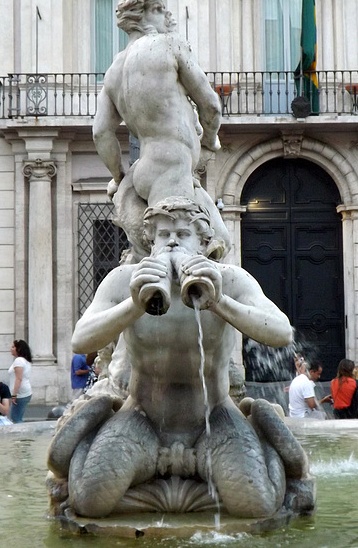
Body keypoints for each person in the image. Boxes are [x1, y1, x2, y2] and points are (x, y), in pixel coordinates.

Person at [68, 197, 296, 518]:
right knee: (88, 501)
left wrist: (219, 302)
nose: (172, 240)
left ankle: (261, 440)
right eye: (163, 234)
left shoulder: (229, 278)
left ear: (203, 242)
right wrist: (135, 303)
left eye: (182, 233)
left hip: (213, 420)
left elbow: (281, 333)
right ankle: (95, 441)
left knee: (257, 505)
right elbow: (81, 340)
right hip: (143, 418)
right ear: (151, 242)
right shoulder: (124, 279)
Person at [92, 0, 230, 260]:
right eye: (158, 8)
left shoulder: (113, 70)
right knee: (177, 254)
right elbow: (211, 106)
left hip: (144, 170)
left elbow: (101, 134)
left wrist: (119, 176)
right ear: (141, 17)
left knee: (220, 241)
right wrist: (208, 140)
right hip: (173, 164)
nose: (169, 16)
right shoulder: (169, 45)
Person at [8, 339, 32, 423]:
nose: (11, 348)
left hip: (20, 394)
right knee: (17, 417)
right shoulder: (24, 360)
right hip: (24, 392)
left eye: (13, 347)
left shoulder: (19, 361)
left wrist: (14, 395)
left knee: (16, 418)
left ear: (18, 349)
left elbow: (18, 378)